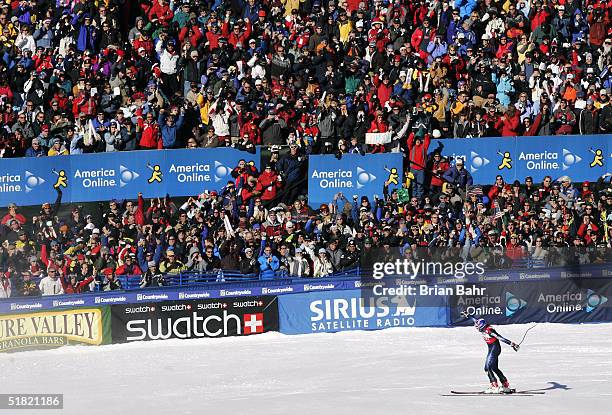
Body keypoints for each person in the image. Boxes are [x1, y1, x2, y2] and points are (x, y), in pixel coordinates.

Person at [465, 313, 520, 393]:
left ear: (482, 326)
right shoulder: (482, 326)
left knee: (487, 368)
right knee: (494, 368)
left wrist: (512, 344)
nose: (477, 329)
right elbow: (475, 320)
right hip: (493, 349)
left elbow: (500, 337)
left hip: (494, 349)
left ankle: (494, 386)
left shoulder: (489, 331)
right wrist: (469, 315)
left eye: (478, 327)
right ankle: (505, 384)